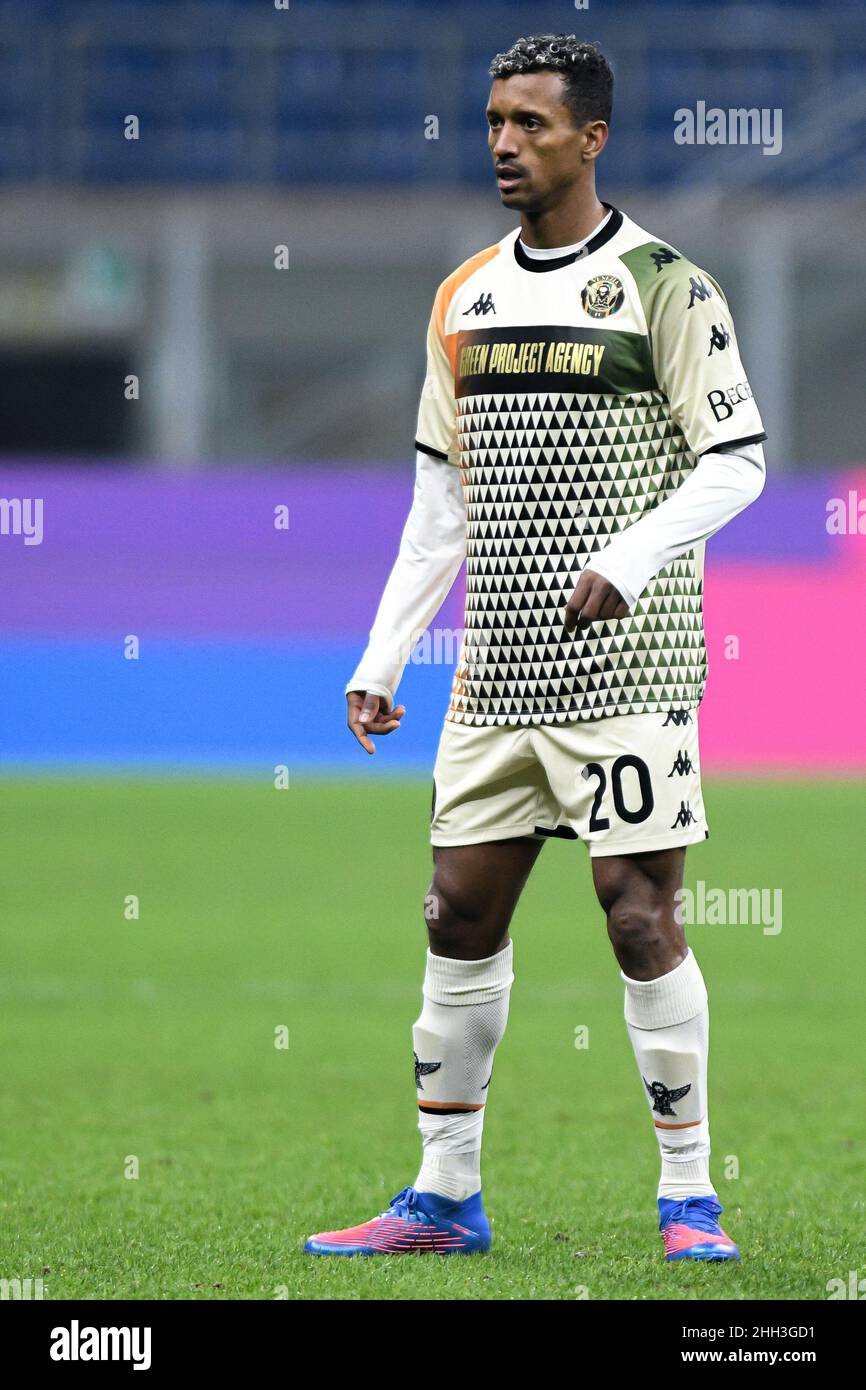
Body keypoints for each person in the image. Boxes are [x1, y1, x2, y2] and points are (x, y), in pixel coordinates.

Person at [305, 33, 766, 1261]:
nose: (505, 142)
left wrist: (625, 558)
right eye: (494, 120)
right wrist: (382, 653)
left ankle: (688, 1199)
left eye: (530, 122)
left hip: (630, 668)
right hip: (498, 668)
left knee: (636, 912)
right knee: (456, 914)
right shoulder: (463, 297)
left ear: (591, 137)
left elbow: (736, 460)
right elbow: (440, 501)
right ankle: (443, 1196)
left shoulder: (667, 285)